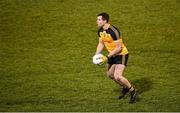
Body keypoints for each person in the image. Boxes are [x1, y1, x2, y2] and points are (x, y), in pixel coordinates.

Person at [94, 12, 137, 103]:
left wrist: (106, 57)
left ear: (105, 21)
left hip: (121, 54)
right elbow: (101, 43)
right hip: (111, 54)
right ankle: (124, 87)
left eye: (99, 20)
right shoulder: (100, 30)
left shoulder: (114, 31)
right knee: (110, 75)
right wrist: (96, 55)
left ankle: (133, 91)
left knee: (118, 76)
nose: (97, 21)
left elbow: (118, 48)